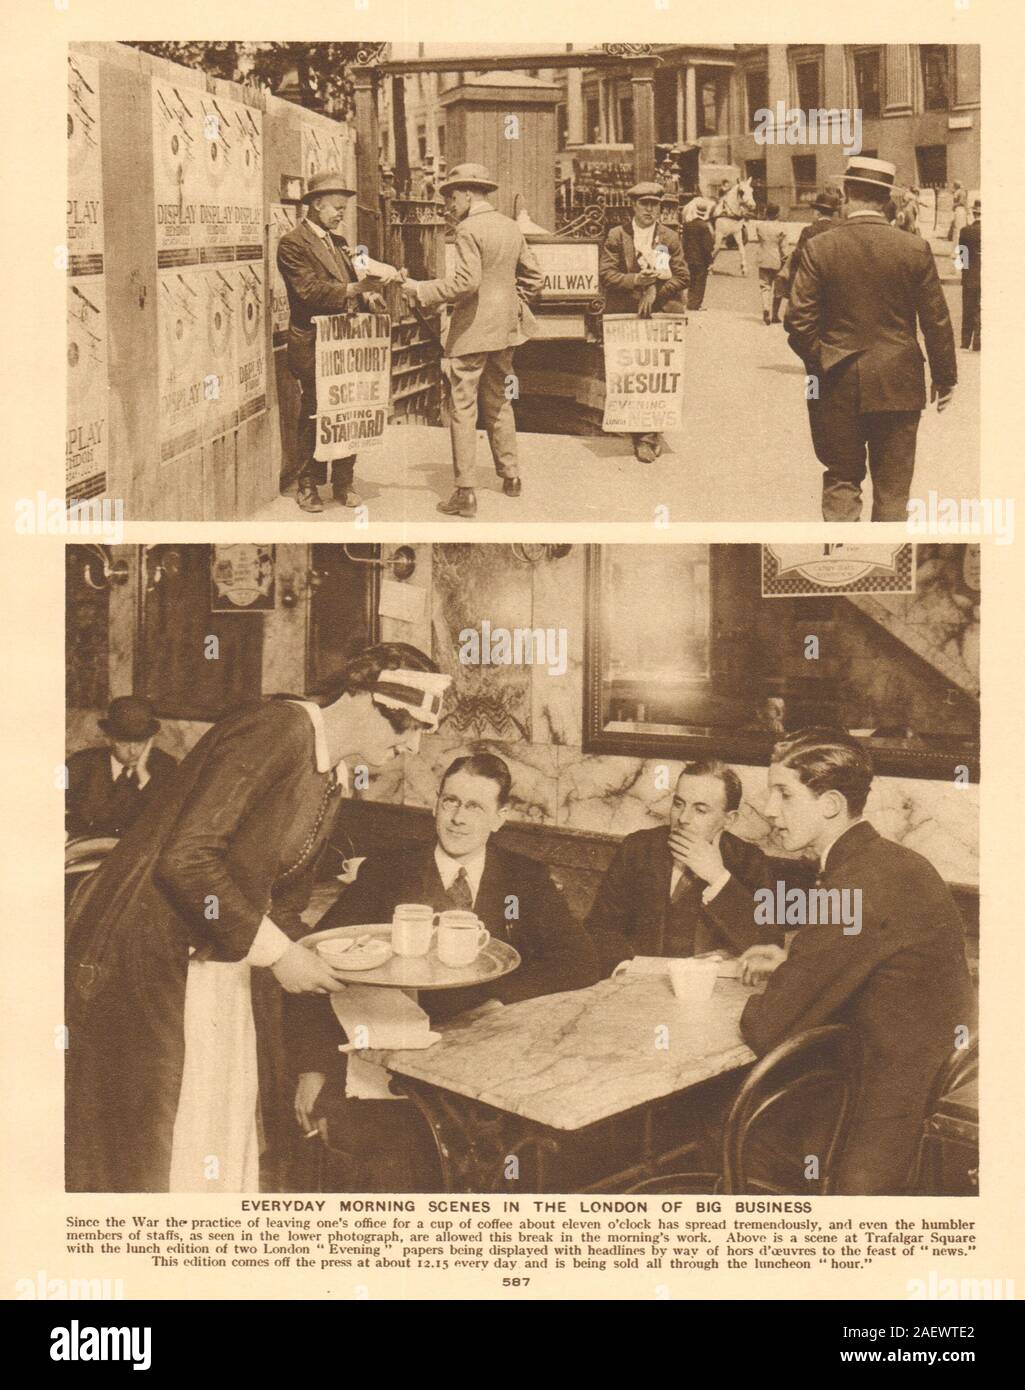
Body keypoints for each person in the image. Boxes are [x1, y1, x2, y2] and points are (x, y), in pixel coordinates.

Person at [65, 643, 450, 1193]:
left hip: (217, 958)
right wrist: (279, 954)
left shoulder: (330, 773)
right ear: (361, 695)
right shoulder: (278, 729)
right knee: (167, 1139)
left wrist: (326, 964)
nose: (411, 746)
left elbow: (282, 898)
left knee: (219, 1126)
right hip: (151, 961)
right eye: (405, 725)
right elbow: (187, 857)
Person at [288, 752, 599, 1173]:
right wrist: (313, 1067)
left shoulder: (524, 879)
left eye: (475, 807)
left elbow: (578, 960)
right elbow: (316, 963)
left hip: (487, 1071)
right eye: (450, 801)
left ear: (499, 817)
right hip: (387, 1069)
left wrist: (499, 1001)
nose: (457, 818)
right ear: (436, 804)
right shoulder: (388, 871)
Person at [737, 729, 975, 1195]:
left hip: (881, 1124)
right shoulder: (897, 862)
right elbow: (879, 964)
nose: (768, 810)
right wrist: (792, 960)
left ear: (829, 805)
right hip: (926, 1095)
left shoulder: (852, 885)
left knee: (715, 1123)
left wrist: (774, 987)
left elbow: (766, 1027)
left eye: (783, 793)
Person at [785, 156, 957, 522]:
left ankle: (841, 569)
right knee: (894, 493)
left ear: (847, 194)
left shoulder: (821, 246)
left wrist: (826, 361)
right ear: (887, 200)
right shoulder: (914, 249)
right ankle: (886, 570)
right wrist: (945, 380)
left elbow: (798, 323)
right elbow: (936, 321)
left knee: (841, 481)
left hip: (836, 384)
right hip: (900, 384)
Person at [400, 164, 543, 519]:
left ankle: (465, 493)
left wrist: (421, 289)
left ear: (467, 194)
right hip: (506, 331)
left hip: (472, 333)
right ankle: (511, 477)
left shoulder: (467, 230)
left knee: (463, 408)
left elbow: (466, 284)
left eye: (450, 197)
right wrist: (515, 303)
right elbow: (536, 275)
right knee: (500, 402)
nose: (447, 205)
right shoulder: (510, 226)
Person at [585, 760, 808, 977]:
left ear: (728, 820)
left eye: (700, 810)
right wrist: (626, 968)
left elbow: (768, 944)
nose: (683, 818)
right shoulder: (638, 849)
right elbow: (599, 929)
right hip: (638, 987)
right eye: (678, 804)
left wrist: (718, 879)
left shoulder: (750, 862)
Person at [276, 170, 391, 514]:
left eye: (343, 208)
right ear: (315, 204)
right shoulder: (292, 244)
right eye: (336, 208)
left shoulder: (340, 243)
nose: (342, 214)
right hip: (313, 343)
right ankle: (308, 484)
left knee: (349, 411)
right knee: (316, 412)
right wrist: (355, 291)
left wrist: (370, 299)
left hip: (344, 345)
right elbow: (308, 291)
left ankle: (344, 481)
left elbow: (356, 276)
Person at [599, 181, 690, 462]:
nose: (650, 210)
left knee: (656, 375)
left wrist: (655, 292)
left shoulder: (669, 237)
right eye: (644, 204)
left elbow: (682, 276)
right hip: (626, 314)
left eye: (655, 204)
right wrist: (636, 281)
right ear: (633, 206)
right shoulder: (617, 235)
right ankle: (639, 432)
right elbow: (606, 273)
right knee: (631, 374)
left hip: (660, 314)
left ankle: (650, 435)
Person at [66, 696, 177, 839]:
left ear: (150, 742)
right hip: (86, 850)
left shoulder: (165, 766)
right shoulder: (80, 764)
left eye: (139, 743)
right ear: (108, 739)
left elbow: (166, 817)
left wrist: (143, 775)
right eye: (124, 744)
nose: (133, 752)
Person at [783, 188, 841, 302]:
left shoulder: (808, 230)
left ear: (817, 213)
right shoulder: (838, 229)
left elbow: (799, 255)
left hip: (812, 279)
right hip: (833, 280)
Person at [752, 203, 788, 324]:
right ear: (777, 213)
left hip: (763, 258)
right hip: (777, 260)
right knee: (778, 289)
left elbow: (760, 240)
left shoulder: (759, 226)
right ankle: (775, 315)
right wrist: (786, 259)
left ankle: (766, 309)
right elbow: (784, 247)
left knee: (764, 287)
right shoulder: (781, 228)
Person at [681, 199, 715, 310]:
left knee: (692, 280)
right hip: (701, 259)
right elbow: (707, 247)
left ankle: (690, 302)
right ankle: (696, 305)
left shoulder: (687, 225)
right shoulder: (704, 226)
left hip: (689, 258)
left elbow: (684, 242)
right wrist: (710, 261)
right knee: (700, 281)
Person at [958, 199, 981, 352]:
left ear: (973, 214)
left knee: (968, 308)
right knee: (981, 309)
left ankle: (965, 342)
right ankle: (978, 342)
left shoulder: (965, 231)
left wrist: (964, 272)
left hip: (969, 276)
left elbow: (961, 255)